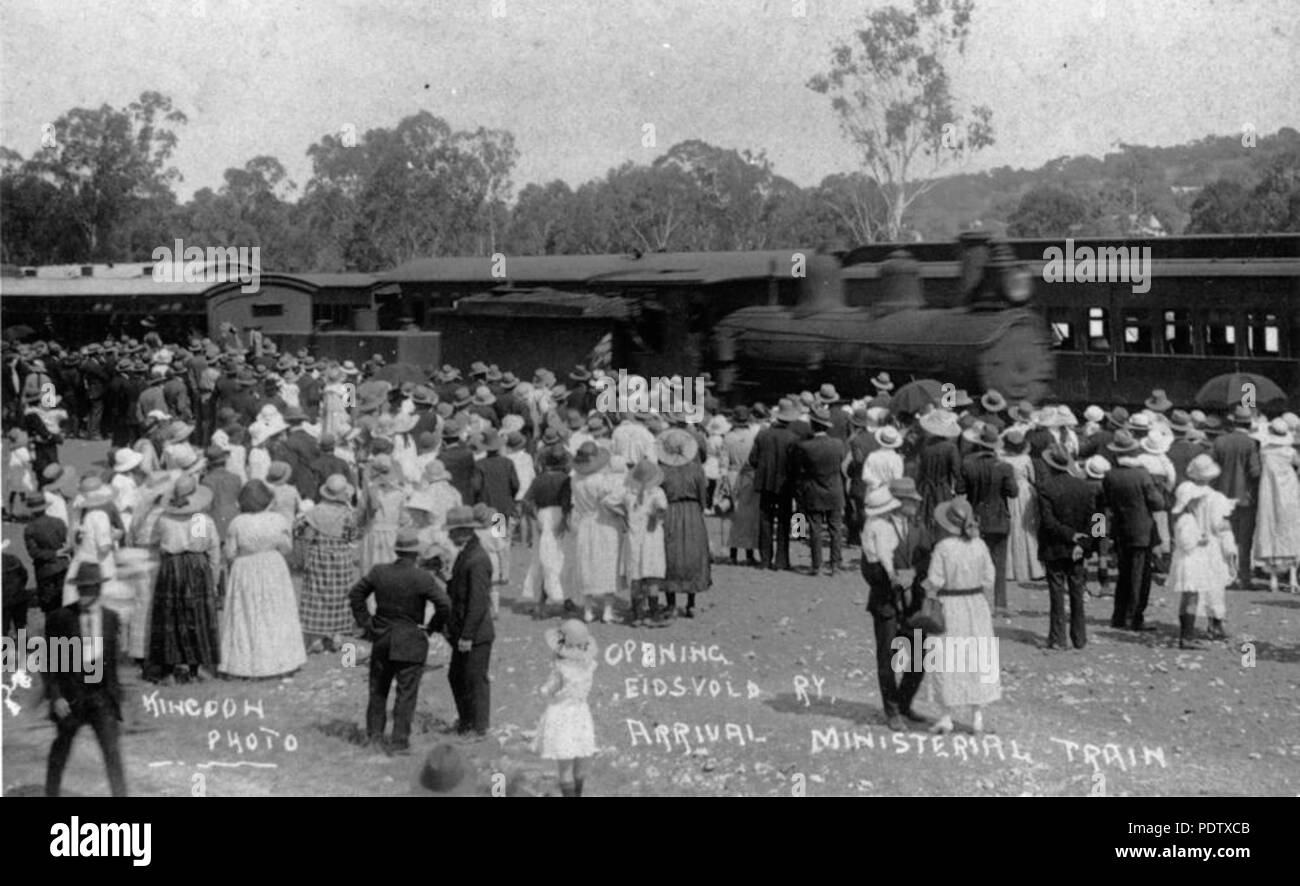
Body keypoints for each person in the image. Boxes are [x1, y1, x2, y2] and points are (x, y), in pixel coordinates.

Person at [349, 527, 452, 754]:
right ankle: (399, 741)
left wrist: (367, 624)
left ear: (396, 551)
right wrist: (432, 628)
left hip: (383, 637)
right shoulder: (422, 578)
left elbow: (355, 594)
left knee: (378, 690)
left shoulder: (379, 572)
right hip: (411, 639)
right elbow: (445, 604)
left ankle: (374, 736)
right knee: (406, 693)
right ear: (416, 554)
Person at [44, 562, 127, 797]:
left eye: (89, 589)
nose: (84, 595)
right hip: (71, 699)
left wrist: (116, 699)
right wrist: (56, 696)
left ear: (99, 590)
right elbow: (49, 661)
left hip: (100, 697)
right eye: (81, 589)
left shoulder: (111, 618)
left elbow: (112, 665)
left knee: (112, 753)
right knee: (60, 751)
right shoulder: (61, 618)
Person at [924, 498, 1001, 735]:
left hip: (950, 605)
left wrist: (923, 590)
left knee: (947, 659)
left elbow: (934, 581)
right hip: (976, 605)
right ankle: (977, 717)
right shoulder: (980, 545)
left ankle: (946, 716)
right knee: (976, 657)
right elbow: (990, 578)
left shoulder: (943, 548)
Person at [860, 483, 929, 731]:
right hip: (885, 601)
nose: (916, 504)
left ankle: (904, 702)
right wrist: (892, 578)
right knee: (888, 658)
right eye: (911, 501)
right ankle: (892, 711)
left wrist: (914, 573)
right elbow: (867, 569)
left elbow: (928, 558)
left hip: (914, 602)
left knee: (920, 656)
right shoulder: (876, 527)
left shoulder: (919, 526)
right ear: (897, 502)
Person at [220, 480, 306, 678]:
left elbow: (231, 553)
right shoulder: (277, 520)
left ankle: (246, 663)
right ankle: (281, 660)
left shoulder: (237, 522)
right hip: (272, 566)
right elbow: (286, 548)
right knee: (275, 611)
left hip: (246, 567)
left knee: (247, 612)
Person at [147, 475, 222, 683]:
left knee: (170, 616)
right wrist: (214, 579)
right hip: (196, 567)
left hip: (171, 567)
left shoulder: (164, 518)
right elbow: (211, 548)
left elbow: (155, 542)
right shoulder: (200, 520)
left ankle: (168, 670)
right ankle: (194, 667)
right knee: (195, 615)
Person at [1103, 431, 1168, 632]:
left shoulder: (1110, 475)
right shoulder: (1142, 475)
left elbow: (1105, 503)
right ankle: (1135, 617)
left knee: (1124, 573)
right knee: (1140, 576)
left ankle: (1119, 616)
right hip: (1142, 531)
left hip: (1120, 529)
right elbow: (1158, 504)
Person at [1036, 446, 1097, 650]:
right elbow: (1098, 519)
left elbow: (1047, 521)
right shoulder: (1086, 487)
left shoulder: (1045, 488)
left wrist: (1070, 535)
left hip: (1054, 545)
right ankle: (1079, 638)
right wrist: (1085, 543)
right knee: (1077, 590)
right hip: (1078, 549)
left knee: (1056, 591)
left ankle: (1057, 637)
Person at [297, 473, 363, 654]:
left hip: (319, 554)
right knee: (341, 596)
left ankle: (316, 639)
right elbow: (352, 536)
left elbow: (301, 531)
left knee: (317, 595)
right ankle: (337, 637)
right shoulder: (349, 514)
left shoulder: (314, 512)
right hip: (341, 556)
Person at [956, 425, 1018, 615]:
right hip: (999, 518)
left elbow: (960, 489)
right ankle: (1000, 604)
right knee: (999, 563)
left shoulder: (967, 464)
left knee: (974, 562)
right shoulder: (1005, 467)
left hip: (976, 517)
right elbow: (1013, 492)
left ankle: (975, 601)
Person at [445, 505, 495, 738]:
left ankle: (479, 727)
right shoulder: (468, 552)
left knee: (475, 680)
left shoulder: (476, 559)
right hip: (465, 629)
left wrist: (467, 635)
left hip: (475, 633)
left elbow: (478, 601)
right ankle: (467, 722)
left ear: (463, 531)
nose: (448, 536)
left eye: (452, 532)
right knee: (457, 676)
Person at [1168, 477, 1236, 649]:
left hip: (1101, 517)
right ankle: (1188, 636)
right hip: (1189, 561)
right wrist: (1200, 540)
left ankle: (1124, 612)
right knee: (1192, 597)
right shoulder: (1188, 519)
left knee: (1192, 597)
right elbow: (1186, 541)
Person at [535, 619, 598, 797]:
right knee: (580, 766)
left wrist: (543, 690)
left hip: (562, 718)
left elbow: (549, 689)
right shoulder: (589, 667)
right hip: (581, 716)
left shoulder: (561, 669)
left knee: (565, 770)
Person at [566, 441, 625, 624]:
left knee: (587, 564)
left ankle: (588, 610)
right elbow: (612, 501)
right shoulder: (601, 481)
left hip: (585, 523)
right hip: (604, 523)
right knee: (608, 564)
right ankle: (607, 610)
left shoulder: (575, 480)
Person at [658, 427, 711, 618]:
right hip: (692, 512)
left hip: (669, 512)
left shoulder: (662, 470)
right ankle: (691, 603)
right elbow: (703, 499)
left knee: (669, 556)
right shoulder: (696, 469)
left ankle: (670, 603)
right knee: (693, 556)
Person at [793, 406, 848, 575]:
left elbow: (799, 469)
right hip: (834, 489)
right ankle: (835, 564)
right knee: (835, 529)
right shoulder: (838, 444)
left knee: (815, 528)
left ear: (812, 424)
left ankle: (816, 564)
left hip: (813, 490)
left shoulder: (805, 447)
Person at [1213, 405, 1262, 588]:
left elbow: (1211, 467)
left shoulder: (1219, 441)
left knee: (1225, 537)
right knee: (1244, 539)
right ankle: (1244, 577)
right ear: (1249, 423)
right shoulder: (1251, 444)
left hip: (1222, 497)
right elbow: (1255, 471)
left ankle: (1226, 575)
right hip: (1245, 498)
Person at [749, 399, 799, 571]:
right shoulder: (793, 438)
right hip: (785, 485)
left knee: (765, 520)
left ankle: (765, 559)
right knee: (785, 521)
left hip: (765, 482)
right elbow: (795, 465)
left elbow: (753, 459)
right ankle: (782, 559)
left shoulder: (762, 435)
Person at [521, 450, 572, 618]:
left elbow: (526, 500)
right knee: (562, 558)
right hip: (560, 516)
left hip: (501, 515)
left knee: (542, 558)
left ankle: (541, 600)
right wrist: (565, 519)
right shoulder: (566, 480)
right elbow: (567, 502)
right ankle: (563, 596)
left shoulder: (539, 479)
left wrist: (534, 517)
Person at [1252, 418, 1300, 593]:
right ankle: (1293, 577)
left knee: (1271, 528)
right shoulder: (1290, 452)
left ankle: (1273, 579)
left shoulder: (1265, 451)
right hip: (1289, 493)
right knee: (1290, 530)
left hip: (1270, 493)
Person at [620, 458, 668, 625]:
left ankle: (637, 613)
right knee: (652, 574)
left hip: (634, 538)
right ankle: (653, 613)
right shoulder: (657, 493)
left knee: (635, 575)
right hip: (651, 537)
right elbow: (662, 508)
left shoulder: (628, 495)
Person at [999, 428, 1044, 583]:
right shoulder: (1026, 459)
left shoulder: (1001, 458)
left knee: (1012, 527)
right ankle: (1033, 567)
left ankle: (1010, 569)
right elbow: (1032, 477)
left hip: (1009, 492)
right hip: (1024, 491)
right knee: (1027, 527)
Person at [24, 491, 71, 614]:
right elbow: (67, 542)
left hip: (45, 571)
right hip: (63, 566)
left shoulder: (30, 528)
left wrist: (53, 554)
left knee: (50, 608)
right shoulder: (59, 522)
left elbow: (34, 552)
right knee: (66, 604)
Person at [2, 539, 29, 637]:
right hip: (19, 596)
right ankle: (24, 648)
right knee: (20, 626)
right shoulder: (13, 558)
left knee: (3, 628)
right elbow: (24, 575)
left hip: (4, 600)